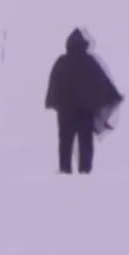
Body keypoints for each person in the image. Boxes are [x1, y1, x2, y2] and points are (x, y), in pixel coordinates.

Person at [45, 28, 123, 175]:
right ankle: (85, 169)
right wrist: (113, 97)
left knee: (65, 141)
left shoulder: (62, 62)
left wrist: (54, 102)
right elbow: (101, 83)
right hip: (85, 111)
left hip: (66, 111)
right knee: (85, 142)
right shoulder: (90, 62)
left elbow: (54, 84)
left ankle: (65, 168)